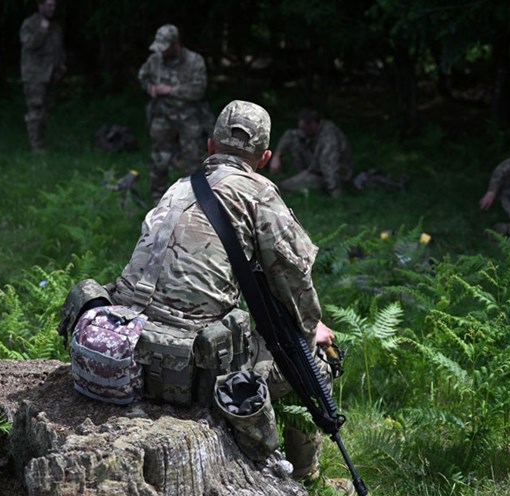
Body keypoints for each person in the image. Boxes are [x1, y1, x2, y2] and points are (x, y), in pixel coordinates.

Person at [108, 100, 340, 486]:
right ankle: (305, 475)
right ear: (264, 158)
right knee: (312, 359)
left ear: (210, 145)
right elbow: (294, 278)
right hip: (189, 363)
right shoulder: (259, 195)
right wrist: (311, 327)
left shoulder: (178, 188)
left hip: (124, 351)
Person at [138, 24, 209, 204]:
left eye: (166, 47)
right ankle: (158, 200)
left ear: (175, 44)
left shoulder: (194, 61)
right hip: (162, 116)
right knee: (160, 159)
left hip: (188, 118)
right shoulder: (155, 60)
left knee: (193, 160)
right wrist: (151, 88)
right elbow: (143, 76)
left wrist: (170, 90)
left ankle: (194, 202)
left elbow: (198, 90)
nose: (162, 51)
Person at [269, 108, 353, 198]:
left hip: (333, 176)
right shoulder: (311, 131)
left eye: (304, 128)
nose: (302, 131)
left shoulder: (328, 136)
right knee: (295, 141)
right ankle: (302, 176)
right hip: (316, 167)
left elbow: (329, 167)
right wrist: (277, 156)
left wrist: (335, 192)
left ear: (312, 124)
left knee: (283, 187)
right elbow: (289, 135)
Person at [20, 0, 66, 154]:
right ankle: (36, 146)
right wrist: (41, 30)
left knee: (46, 110)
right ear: (40, 5)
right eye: (49, 5)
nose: (52, 8)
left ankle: (41, 140)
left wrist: (61, 65)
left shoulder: (56, 27)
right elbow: (30, 44)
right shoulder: (30, 24)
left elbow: (57, 48)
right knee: (35, 109)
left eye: (54, 5)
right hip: (34, 75)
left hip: (51, 75)